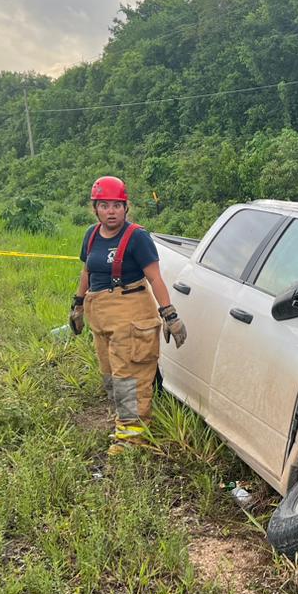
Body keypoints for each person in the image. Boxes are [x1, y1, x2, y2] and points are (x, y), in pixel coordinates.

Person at [70, 176, 187, 455]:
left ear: (126, 207)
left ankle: (133, 439)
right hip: (101, 315)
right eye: (104, 205)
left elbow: (155, 278)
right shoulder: (92, 235)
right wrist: (77, 305)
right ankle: (123, 425)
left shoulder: (137, 237)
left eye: (117, 206)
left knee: (129, 378)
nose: (111, 211)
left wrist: (169, 314)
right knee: (111, 376)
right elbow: (87, 272)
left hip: (131, 314)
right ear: (95, 208)